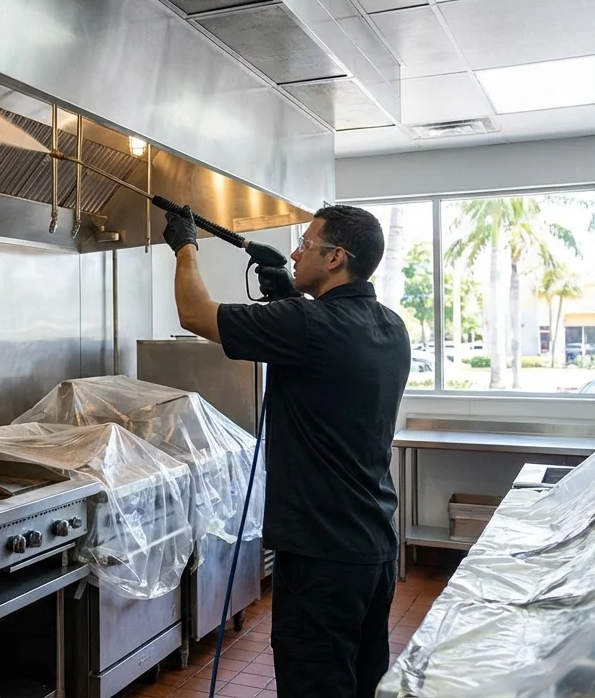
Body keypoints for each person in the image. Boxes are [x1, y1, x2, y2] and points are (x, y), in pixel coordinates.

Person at [163, 204, 410, 698]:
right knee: (360, 684)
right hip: (373, 548)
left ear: (336, 257)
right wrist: (289, 295)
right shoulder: (391, 326)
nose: (296, 252)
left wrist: (185, 245)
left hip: (320, 555)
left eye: (307, 244)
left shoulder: (308, 325)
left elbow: (195, 314)